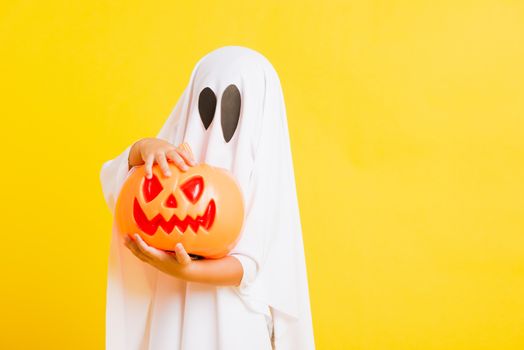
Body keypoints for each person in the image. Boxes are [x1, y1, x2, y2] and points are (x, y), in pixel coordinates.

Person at [100, 46, 315, 350]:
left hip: (233, 322)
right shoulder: (167, 167)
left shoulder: (263, 176)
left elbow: (249, 264)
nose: (216, 122)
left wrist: (188, 270)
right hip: (171, 309)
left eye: (232, 106)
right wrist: (143, 148)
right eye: (206, 103)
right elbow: (116, 184)